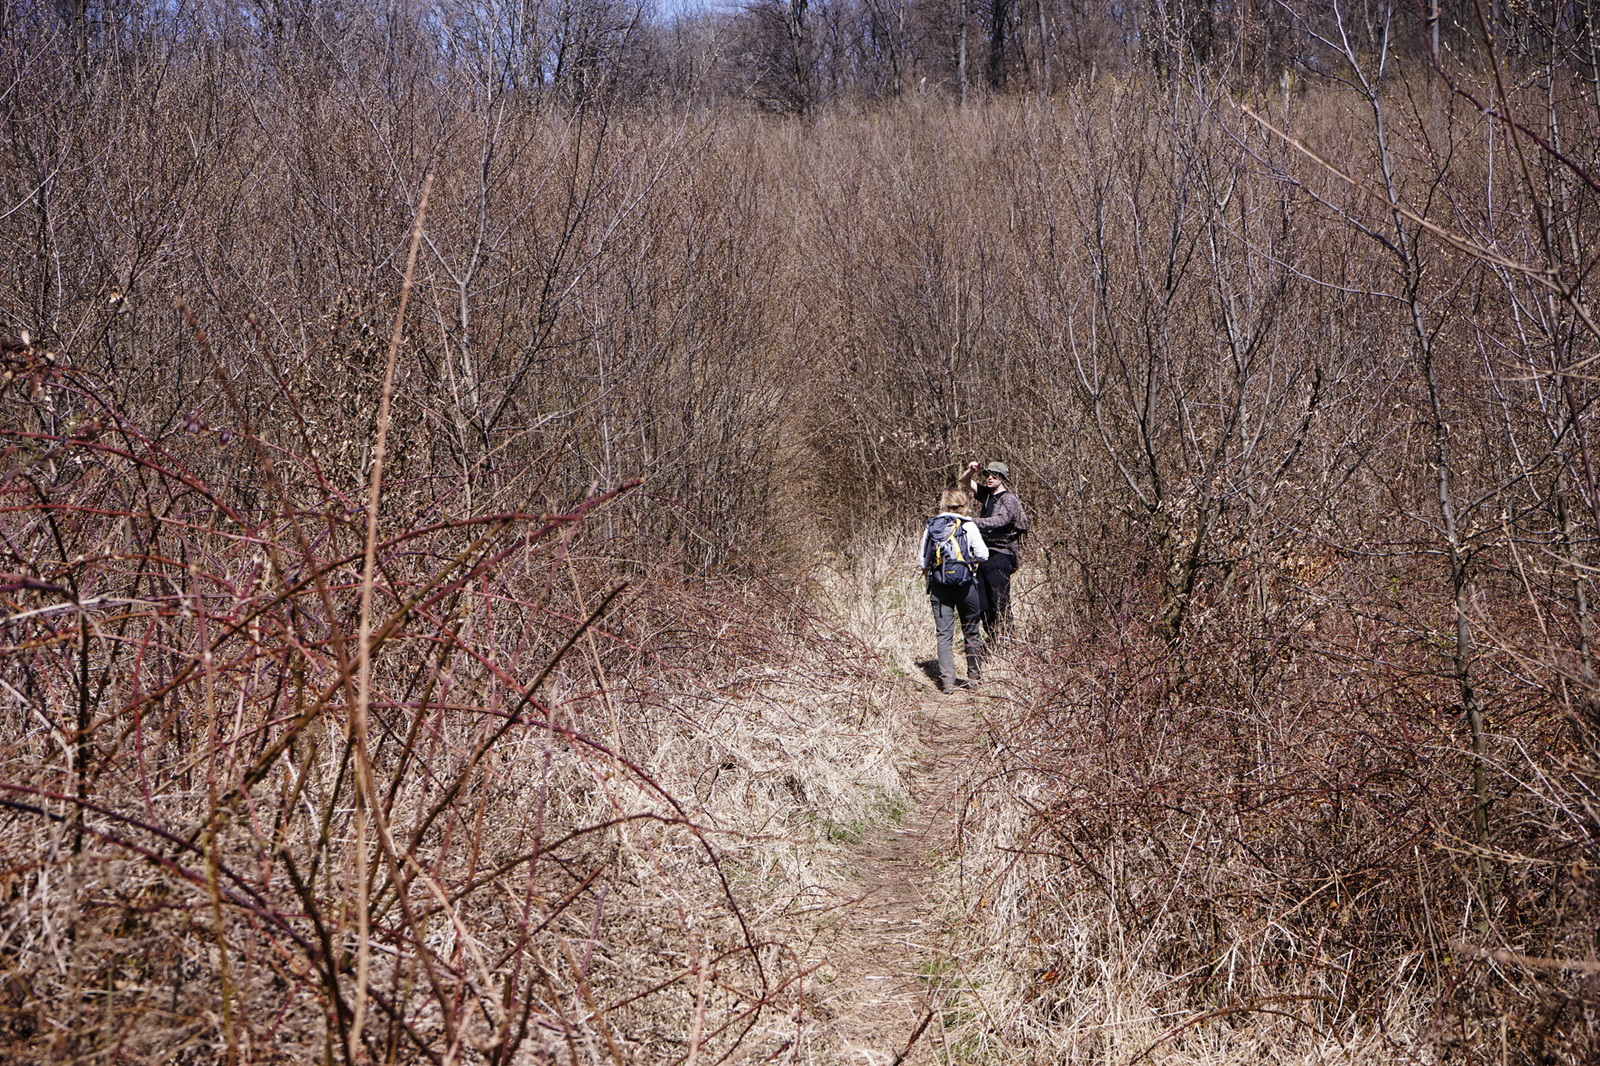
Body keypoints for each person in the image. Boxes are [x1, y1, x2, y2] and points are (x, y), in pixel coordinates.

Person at [917, 488, 988, 694]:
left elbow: (921, 560)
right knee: (972, 633)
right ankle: (974, 680)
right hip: (966, 587)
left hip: (940, 588)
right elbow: (983, 555)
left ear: (943, 504)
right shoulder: (969, 525)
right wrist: (966, 563)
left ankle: (947, 683)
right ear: (964, 504)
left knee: (944, 635)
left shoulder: (932, 526)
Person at [958, 460, 1030, 641]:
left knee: (999, 601)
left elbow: (1000, 520)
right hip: (983, 555)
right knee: (983, 603)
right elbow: (964, 481)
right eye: (988, 475)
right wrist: (971, 470)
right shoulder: (987, 495)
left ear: (1003, 478)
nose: (990, 478)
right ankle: (993, 640)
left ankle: (1007, 642)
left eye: (994, 476)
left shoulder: (1009, 499)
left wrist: (971, 521)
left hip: (1001, 555)